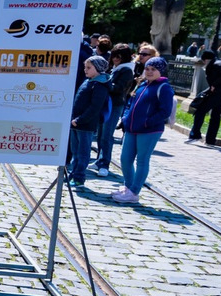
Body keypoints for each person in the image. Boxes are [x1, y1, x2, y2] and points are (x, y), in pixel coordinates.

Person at [112, 56, 175, 204]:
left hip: (149, 131)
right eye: (147, 68)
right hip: (132, 128)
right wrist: (126, 118)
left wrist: (147, 122)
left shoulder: (164, 87)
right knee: (125, 159)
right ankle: (128, 187)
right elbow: (130, 103)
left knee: (142, 160)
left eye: (153, 69)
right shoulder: (142, 85)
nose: (149, 71)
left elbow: (165, 111)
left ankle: (134, 192)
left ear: (161, 71)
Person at [67, 56, 111, 188]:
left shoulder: (100, 85)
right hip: (75, 123)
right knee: (75, 151)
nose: (85, 70)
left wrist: (80, 120)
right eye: (85, 67)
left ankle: (79, 177)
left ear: (98, 68)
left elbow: (94, 107)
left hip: (85, 125)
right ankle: (73, 174)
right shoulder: (88, 81)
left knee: (82, 153)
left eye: (89, 67)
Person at [95, 43, 137, 177]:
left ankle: (104, 163)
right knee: (101, 134)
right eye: (114, 56)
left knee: (107, 135)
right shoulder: (115, 68)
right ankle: (99, 160)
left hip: (114, 105)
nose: (115, 59)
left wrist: (103, 81)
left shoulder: (126, 70)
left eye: (119, 57)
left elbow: (118, 88)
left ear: (125, 57)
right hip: (106, 103)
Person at [188, 49, 221, 145]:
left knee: (201, 110)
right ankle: (210, 140)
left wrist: (214, 85)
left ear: (206, 59)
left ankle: (195, 135)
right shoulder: (218, 63)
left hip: (219, 93)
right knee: (215, 115)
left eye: (204, 60)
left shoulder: (216, 64)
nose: (204, 63)